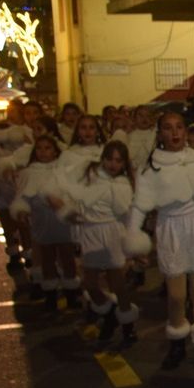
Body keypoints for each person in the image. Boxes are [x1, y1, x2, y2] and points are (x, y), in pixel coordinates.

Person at [126, 110, 194, 368]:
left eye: (179, 127)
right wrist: (133, 233)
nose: (175, 132)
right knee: (176, 295)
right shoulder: (151, 167)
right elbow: (140, 204)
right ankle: (177, 340)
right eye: (168, 128)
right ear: (160, 134)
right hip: (171, 228)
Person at [62, 140, 140, 343]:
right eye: (110, 159)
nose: (113, 164)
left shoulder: (123, 184)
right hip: (91, 232)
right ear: (103, 158)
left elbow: (127, 213)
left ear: (124, 163)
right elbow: (70, 189)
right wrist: (71, 213)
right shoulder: (90, 173)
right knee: (89, 283)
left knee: (118, 284)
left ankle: (127, 325)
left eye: (118, 161)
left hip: (113, 233)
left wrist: (133, 245)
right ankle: (109, 312)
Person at [11, 133, 81, 311]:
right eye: (39, 148)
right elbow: (21, 197)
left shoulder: (63, 171)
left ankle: (71, 294)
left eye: (48, 148)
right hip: (42, 221)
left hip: (63, 221)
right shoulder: (29, 173)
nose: (43, 152)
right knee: (47, 258)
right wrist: (21, 211)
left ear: (55, 151)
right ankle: (50, 294)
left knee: (67, 256)